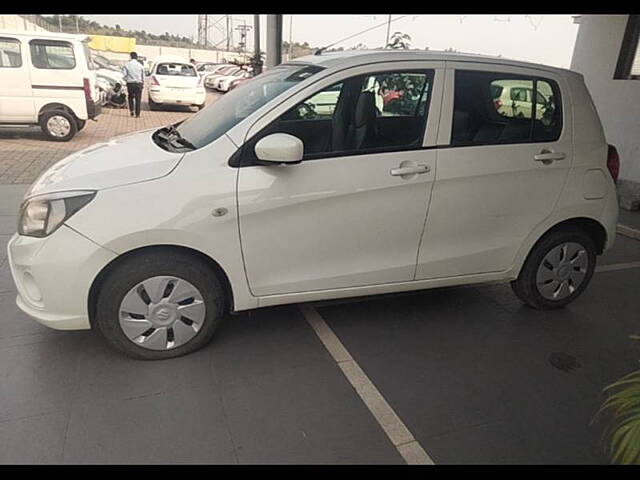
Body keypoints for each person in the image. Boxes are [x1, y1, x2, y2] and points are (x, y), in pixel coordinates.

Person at [122, 51, 145, 118]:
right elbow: (143, 76)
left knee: (130, 97)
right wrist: (142, 84)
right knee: (138, 99)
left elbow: (124, 75)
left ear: (130, 57)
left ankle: (131, 111)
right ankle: (137, 114)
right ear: (136, 57)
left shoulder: (127, 65)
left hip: (130, 83)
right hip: (138, 83)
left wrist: (127, 79)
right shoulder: (141, 66)